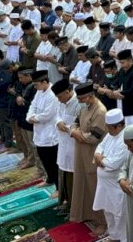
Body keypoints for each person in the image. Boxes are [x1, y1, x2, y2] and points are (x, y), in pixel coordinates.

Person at [69, 81, 107, 226]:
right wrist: (74, 131)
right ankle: (86, 215)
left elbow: (93, 138)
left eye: (81, 99)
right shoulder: (84, 108)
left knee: (95, 188)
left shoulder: (100, 112)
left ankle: (102, 222)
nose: (79, 102)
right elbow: (74, 124)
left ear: (90, 96)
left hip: (93, 154)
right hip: (81, 153)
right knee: (82, 184)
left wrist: (77, 134)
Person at [94, 108, 128, 242]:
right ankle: (114, 236)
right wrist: (98, 156)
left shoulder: (125, 139)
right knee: (108, 211)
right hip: (104, 184)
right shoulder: (111, 134)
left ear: (119, 126)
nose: (107, 130)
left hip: (116, 185)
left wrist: (100, 160)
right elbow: (99, 147)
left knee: (120, 214)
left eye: (109, 127)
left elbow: (114, 164)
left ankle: (125, 238)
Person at [26, 70, 60, 186]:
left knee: (52, 161)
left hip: (50, 133)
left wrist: (33, 119)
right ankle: (49, 179)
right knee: (44, 159)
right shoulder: (39, 92)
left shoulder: (52, 94)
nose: (35, 87)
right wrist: (29, 117)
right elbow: (33, 105)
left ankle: (58, 187)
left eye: (36, 84)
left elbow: (47, 115)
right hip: (39, 132)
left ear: (44, 82)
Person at [53, 78, 80, 208]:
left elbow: (80, 126)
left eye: (60, 96)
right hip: (63, 144)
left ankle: (74, 205)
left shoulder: (78, 103)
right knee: (63, 172)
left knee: (72, 176)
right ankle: (66, 201)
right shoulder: (61, 102)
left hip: (74, 146)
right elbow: (57, 115)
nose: (58, 100)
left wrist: (67, 128)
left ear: (68, 92)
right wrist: (58, 122)